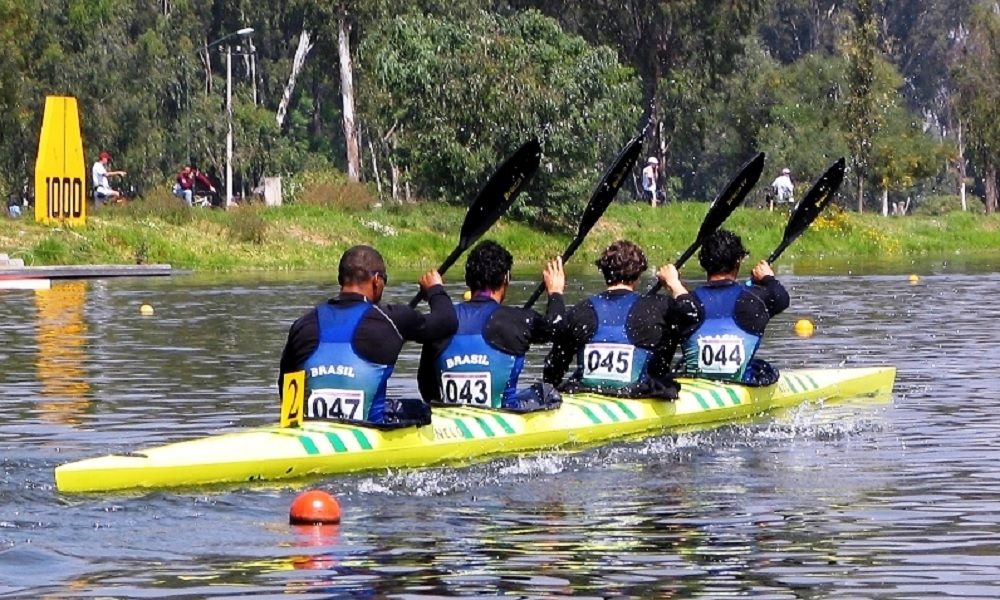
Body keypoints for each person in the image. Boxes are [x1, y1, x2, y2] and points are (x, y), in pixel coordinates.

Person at [278, 245, 458, 427]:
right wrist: (435, 289)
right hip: (368, 436)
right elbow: (447, 321)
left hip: (305, 435)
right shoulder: (392, 319)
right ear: (377, 280)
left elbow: (285, 389)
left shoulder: (303, 324)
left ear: (341, 279)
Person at [417, 240, 566, 412]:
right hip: (504, 416)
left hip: (447, 418)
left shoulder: (441, 321)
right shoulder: (516, 320)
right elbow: (557, 326)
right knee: (545, 393)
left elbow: (426, 387)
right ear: (506, 278)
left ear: (468, 280)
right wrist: (555, 292)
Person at [543, 239, 700, 398]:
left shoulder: (580, 312)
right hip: (640, 393)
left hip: (583, 391)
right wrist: (674, 283)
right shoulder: (658, 307)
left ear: (604, 273)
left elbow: (553, 370)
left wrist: (555, 293)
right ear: (638, 275)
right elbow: (693, 314)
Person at [679, 229, 789, 386]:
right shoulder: (754, 299)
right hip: (741, 383)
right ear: (738, 261)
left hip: (694, 385)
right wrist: (767, 278)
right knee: (762, 369)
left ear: (703, 263)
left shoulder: (686, 303)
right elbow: (781, 298)